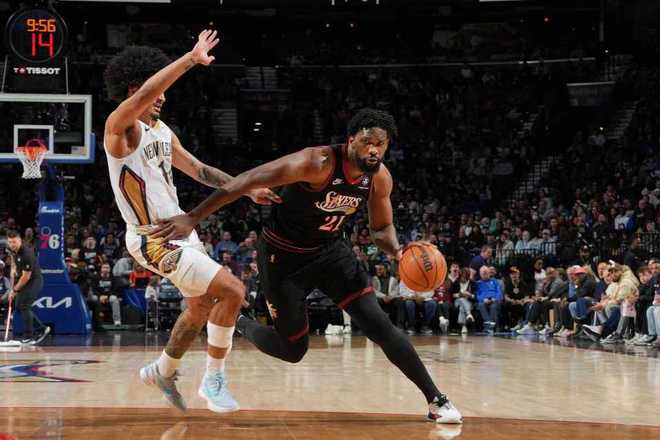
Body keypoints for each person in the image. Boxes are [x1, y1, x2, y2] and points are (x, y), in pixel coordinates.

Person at [151, 108, 462, 423]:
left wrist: (396, 251)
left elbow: (381, 229)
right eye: (367, 142)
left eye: (380, 144)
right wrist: (193, 217)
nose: (373, 150)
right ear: (351, 140)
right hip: (283, 258)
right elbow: (246, 180)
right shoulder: (316, 162)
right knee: (292, 350)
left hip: (330, 252)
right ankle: (241, 322)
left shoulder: (379, 178)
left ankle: (437, 400)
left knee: (379, 324)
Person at [102, 30, 279, 413]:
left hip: (182, 231)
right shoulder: (119, 129)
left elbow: (199, 170)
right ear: (135, 90)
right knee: (233, 290)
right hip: (152, 237)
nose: (163, 97)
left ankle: (163, 371)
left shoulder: (162, 131)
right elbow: (149, 91)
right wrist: (190, 59)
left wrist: (245, 189)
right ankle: (213, 381)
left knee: (201, 307)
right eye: (157, 90)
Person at [6, 230, 50, 344]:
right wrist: (13, 270)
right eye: (10, 242)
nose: (12, 244)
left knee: (24, 306)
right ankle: (41, 329)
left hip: (34, 281)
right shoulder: (11, 250)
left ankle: (29, 335)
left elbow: (26, 277)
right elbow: (14, 261)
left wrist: (14, 290)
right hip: (23, 279)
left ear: (20, 241)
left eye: (14, 242)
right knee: (18, 306)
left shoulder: (27, 254)